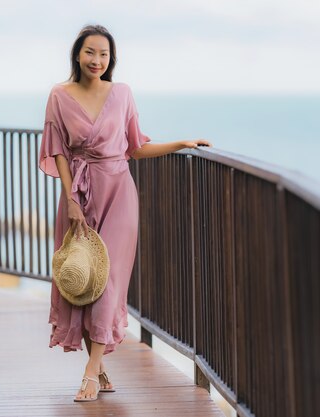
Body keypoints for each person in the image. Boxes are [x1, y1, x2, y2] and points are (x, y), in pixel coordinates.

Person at [38, 24, 212, 401]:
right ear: (77, 54)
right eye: (90, 52)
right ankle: (97, 366)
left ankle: (89, 371)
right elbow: (57, 152)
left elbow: (134, 146)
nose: (96, 60)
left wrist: (180, 142)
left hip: (119, 191)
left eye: (103, 54)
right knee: (82, 278)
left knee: (110, 282)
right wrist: (70, 199)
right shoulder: (59, 95)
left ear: (110, 59)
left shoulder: (122, 94)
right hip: (79, 195)